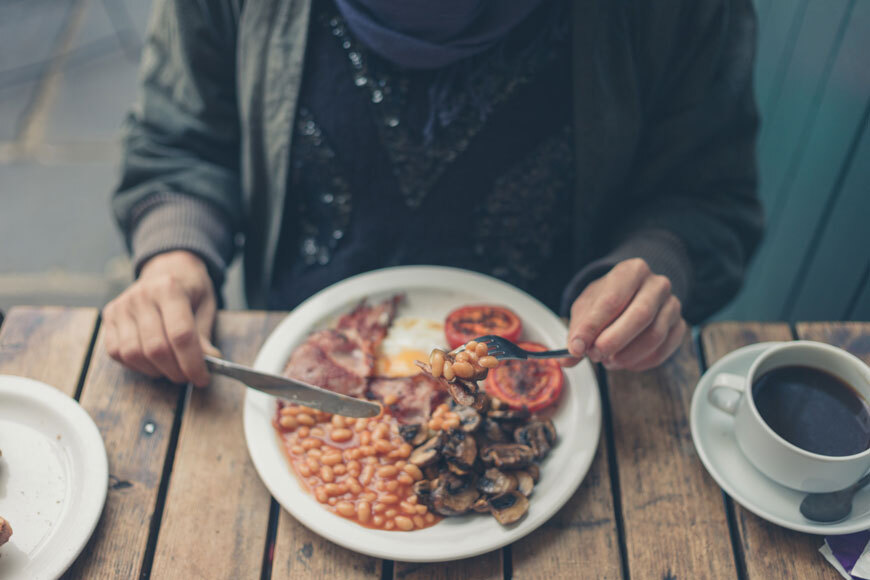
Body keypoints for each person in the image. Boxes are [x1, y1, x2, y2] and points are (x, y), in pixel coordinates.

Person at [104, 0, 763, 387]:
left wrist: (656, 265)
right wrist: (176, 258)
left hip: (574, 377)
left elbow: (708, 194)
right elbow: (178, 141)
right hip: (291, 360)